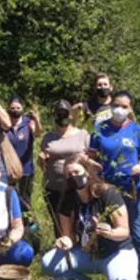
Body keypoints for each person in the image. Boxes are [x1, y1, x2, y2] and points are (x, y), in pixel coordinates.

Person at [41, 154, 138, 280]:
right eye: (68, 175)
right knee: (48, 263)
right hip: (88, 251)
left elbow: (124, 230)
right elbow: (69, 236)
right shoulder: (68, 200)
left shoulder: (107, 193)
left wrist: (110, 233)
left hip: (116, 250)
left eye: (77, 172)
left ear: (87, 171)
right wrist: (65, 241)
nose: (73, 177)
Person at [89, 91, 140, 279]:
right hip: (107, 190)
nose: (119, 109)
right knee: (109, 228)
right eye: (116, 105)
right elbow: (91, 156)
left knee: (136, 230)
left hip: (131, 188)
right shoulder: (99, 129)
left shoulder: (137, 130)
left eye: (124, 106)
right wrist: (93, 169)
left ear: (130, 109)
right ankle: (108, 267)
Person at [38, 100, 91, 237]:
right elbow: (42, 163)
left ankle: (81, 249)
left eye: (65, 114)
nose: (62, 117)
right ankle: (63, 251)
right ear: (54, 116)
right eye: (59, 114)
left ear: (71, 115)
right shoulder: (48, 137)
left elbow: (91, 158)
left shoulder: (83, 135)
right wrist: (41, 159)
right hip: (53, 187)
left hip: (77, 186)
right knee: (58, 223)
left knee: (78, 221)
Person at [5, 96, 43, 217]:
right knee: (8, 197)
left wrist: (37, 120)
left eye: (18, 107)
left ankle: (27, 224)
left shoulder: (28, 123)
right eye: (12, 108)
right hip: (8, 169)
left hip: (26, 168)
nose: (15, 110)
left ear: (22, 109)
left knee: (25, 199)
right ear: (8, 109)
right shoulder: (4, 125)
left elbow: (38, 133)